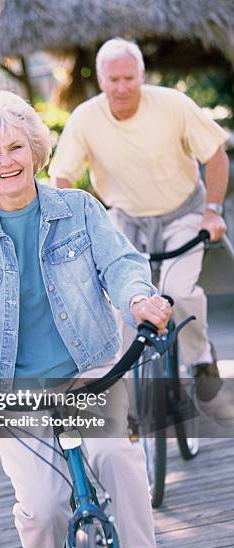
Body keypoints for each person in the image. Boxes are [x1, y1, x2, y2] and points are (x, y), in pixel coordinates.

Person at [0, 90, 183, 548]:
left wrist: (139, 298)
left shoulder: (78, 209)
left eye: (15, 148)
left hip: (89, 373)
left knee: (116, 458)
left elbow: (120, 264)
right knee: (42, 508)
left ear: (35, 152)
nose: (6, 162)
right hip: (9, 390)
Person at [49, 37, 229, 402]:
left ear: (142, 76)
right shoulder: (85, 118)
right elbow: (61, 176)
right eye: (113, 80)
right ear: (101, 81)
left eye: (129, 78)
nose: (121, 87)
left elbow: (215, 154)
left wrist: (213, 210)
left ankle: (200, 358)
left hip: (183, 213)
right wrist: (71, 225)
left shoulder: (173, 105)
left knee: (178, 292)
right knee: (123, 302)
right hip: (125, 220)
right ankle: (128, 392)